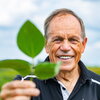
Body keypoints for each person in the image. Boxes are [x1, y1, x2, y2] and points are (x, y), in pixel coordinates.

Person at [0, 8, 100, 100]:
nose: (65, 47)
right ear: (46, 44)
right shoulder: (25, 84)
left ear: (83, 45)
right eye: (57, 40)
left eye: (73, 40)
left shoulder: (98, 85)